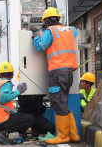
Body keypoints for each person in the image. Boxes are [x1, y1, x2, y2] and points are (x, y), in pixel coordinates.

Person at [30, 7, 80, 144]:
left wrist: (36, 33)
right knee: (63, 103)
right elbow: (74, 32)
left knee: (58, 103)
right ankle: (74, 135)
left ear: (46, 21)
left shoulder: (50, 31)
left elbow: (40, 46)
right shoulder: (71, 30)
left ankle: (63, 136)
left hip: (57, 72)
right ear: (58, 18)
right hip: (69, 72)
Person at [0, 61, 35, 145]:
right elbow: (3, 98)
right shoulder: (6, 83)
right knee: (30, 118)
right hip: (0, 121)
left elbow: (0, 104)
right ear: (12, 75)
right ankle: (3, 133)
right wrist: (18, 91)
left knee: (18, 116)